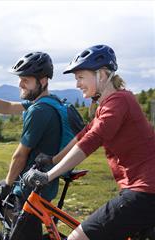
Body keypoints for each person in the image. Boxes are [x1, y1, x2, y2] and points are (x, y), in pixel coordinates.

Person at [23, 44, 155, 240]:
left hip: (145, 191)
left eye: (81, 77)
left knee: (77, 238)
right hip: (140, 189)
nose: (77, 84)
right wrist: (53, 160)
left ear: (101, 75)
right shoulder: (109, 104)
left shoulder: (119, 102)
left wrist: (48, 176)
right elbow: (85, 134)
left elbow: (92, 140)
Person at [0, 51, 75, 239]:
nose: (20, 84)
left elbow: (20, 155)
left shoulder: (40, 110)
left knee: (22, 234)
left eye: (26, 80)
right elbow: (7, 107)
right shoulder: (48, 102)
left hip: (32, 187)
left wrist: (7, 182)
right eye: (20, 79)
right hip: (39, 183)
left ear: (43, 81)